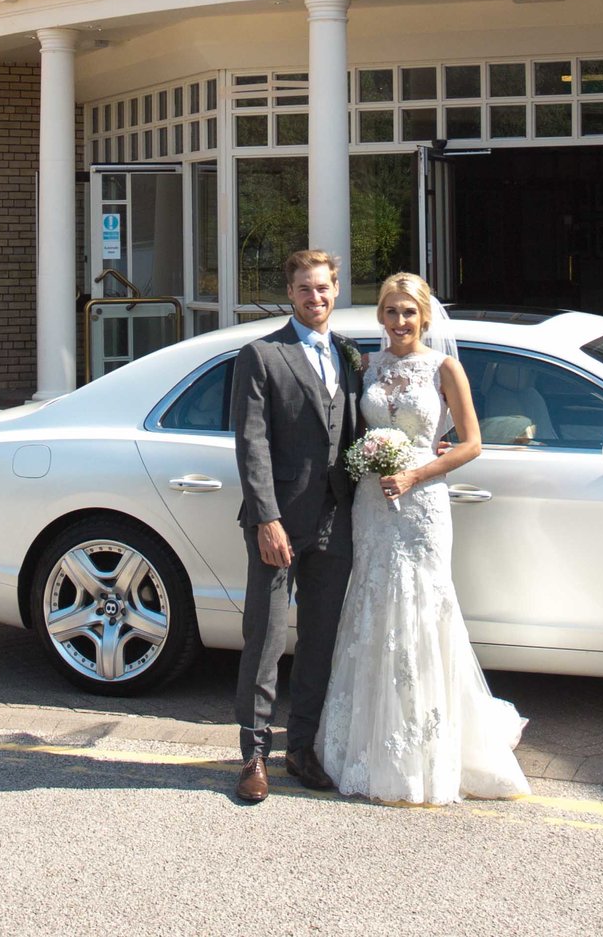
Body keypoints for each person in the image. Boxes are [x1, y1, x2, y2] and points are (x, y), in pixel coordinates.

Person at [316, 271, 529, 805]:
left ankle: (424, 748)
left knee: (420, 607)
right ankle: (364, 745)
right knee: (373, 605)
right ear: (380, 316)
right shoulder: (368, 366)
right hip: (372, 503)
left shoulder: (444, 368)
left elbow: (471, 443)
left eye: (408, 312)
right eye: (390, 311)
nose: (399, 321)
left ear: (425, 317)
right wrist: (367, 461)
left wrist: (415, 474)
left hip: (421, 506)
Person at [229, 248, 360, 805]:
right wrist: (267, 518)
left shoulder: (351, 356)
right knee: (264, 637)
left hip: (336, 519)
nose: (316, 298)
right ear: (292, 293)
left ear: (336, 290)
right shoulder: (261, 355)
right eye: (306, 289)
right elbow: (251, 442)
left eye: (324, 288)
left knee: (320, 639)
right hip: (278, 523)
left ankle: (300, 748)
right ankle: (254, 754)